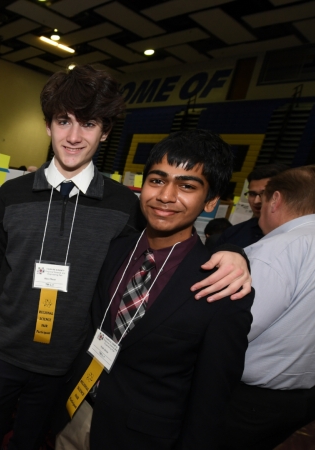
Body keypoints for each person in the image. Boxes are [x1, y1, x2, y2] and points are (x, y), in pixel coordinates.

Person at [0, 65, 252, 450]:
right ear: (48, 126)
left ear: (105, 131)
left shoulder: (124, 205)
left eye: (89, 123)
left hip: (67, 365)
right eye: (64, 121)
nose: (74, 136)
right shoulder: (12, 194)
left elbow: (167, 244)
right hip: (1, 353)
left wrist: (230, 251)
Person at [55, 130, 254, 450]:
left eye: (187, 185)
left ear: (211, 201)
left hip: (141, 437)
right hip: (75, 410)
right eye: (157, 180)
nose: (165, 195)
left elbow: (212, 398)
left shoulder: (223, 286)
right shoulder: (115, 249)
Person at [218, 166, 315, 450]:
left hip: (249, 401)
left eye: (262, 199)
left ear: (275, 199)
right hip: (307, 399)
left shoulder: (274, 251)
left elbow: (233, 330)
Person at [215, 164, 289, 248]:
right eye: (252, 194)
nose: (256, 201)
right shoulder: (232, 234)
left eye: (264, 193)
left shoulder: (297, 236)